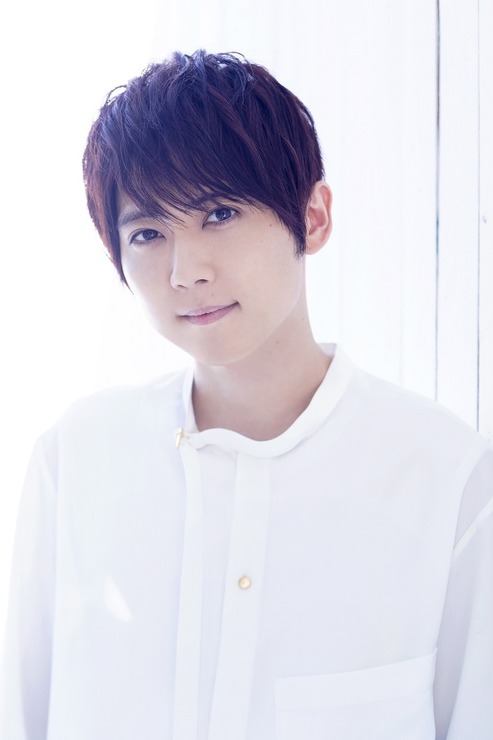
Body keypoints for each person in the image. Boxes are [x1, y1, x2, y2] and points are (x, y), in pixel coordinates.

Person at [1, 50, 492, 740]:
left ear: (312, 217)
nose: (185, 271)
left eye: (220, 212)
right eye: (148, 233)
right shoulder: (76, 459)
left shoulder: (445, 475)